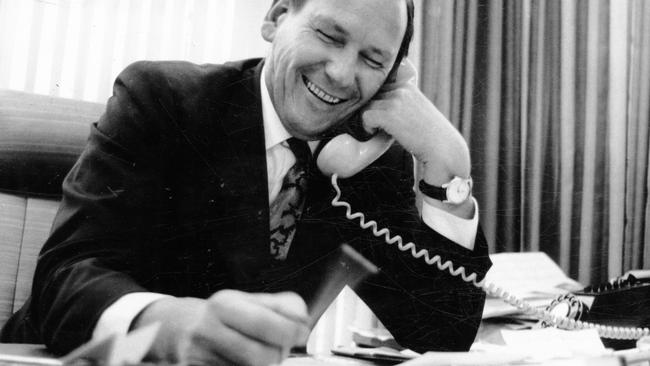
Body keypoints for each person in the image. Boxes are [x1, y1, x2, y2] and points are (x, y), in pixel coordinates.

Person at [1, 0, 492, 365]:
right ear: (277, 18)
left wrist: (449, 167)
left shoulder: (361, 159)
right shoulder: (166, 99)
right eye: (329, 35)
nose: (343, 74)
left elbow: (441, 331)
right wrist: (171, 324)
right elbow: (63, 278)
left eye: (373, 60)